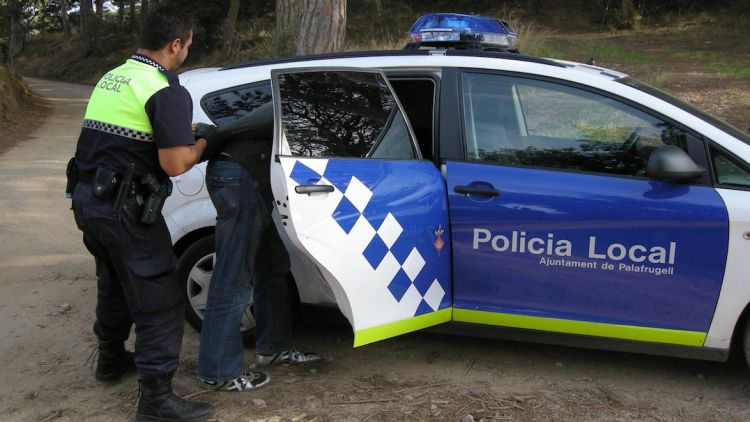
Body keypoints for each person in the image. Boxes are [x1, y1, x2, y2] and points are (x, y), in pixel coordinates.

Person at [69, 6, 221, 422]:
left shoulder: (113, 76)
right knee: (159, 299)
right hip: (125, 209)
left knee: (114, 281)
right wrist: (203, 141)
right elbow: (175, 163)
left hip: (89, 201)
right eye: (187, 45)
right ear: (176, 44)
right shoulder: (165, 90)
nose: (186, 50)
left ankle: (111, 360)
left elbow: (125, 137)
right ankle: (156, 401)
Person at [196, 100, 321, 392]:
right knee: (233, 278)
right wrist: (211, 134)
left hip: (250, 182)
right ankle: (217, 371)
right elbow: (268, 115)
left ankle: (272, 348)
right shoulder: (295, 97)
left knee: (273, 263)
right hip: (242, 179)